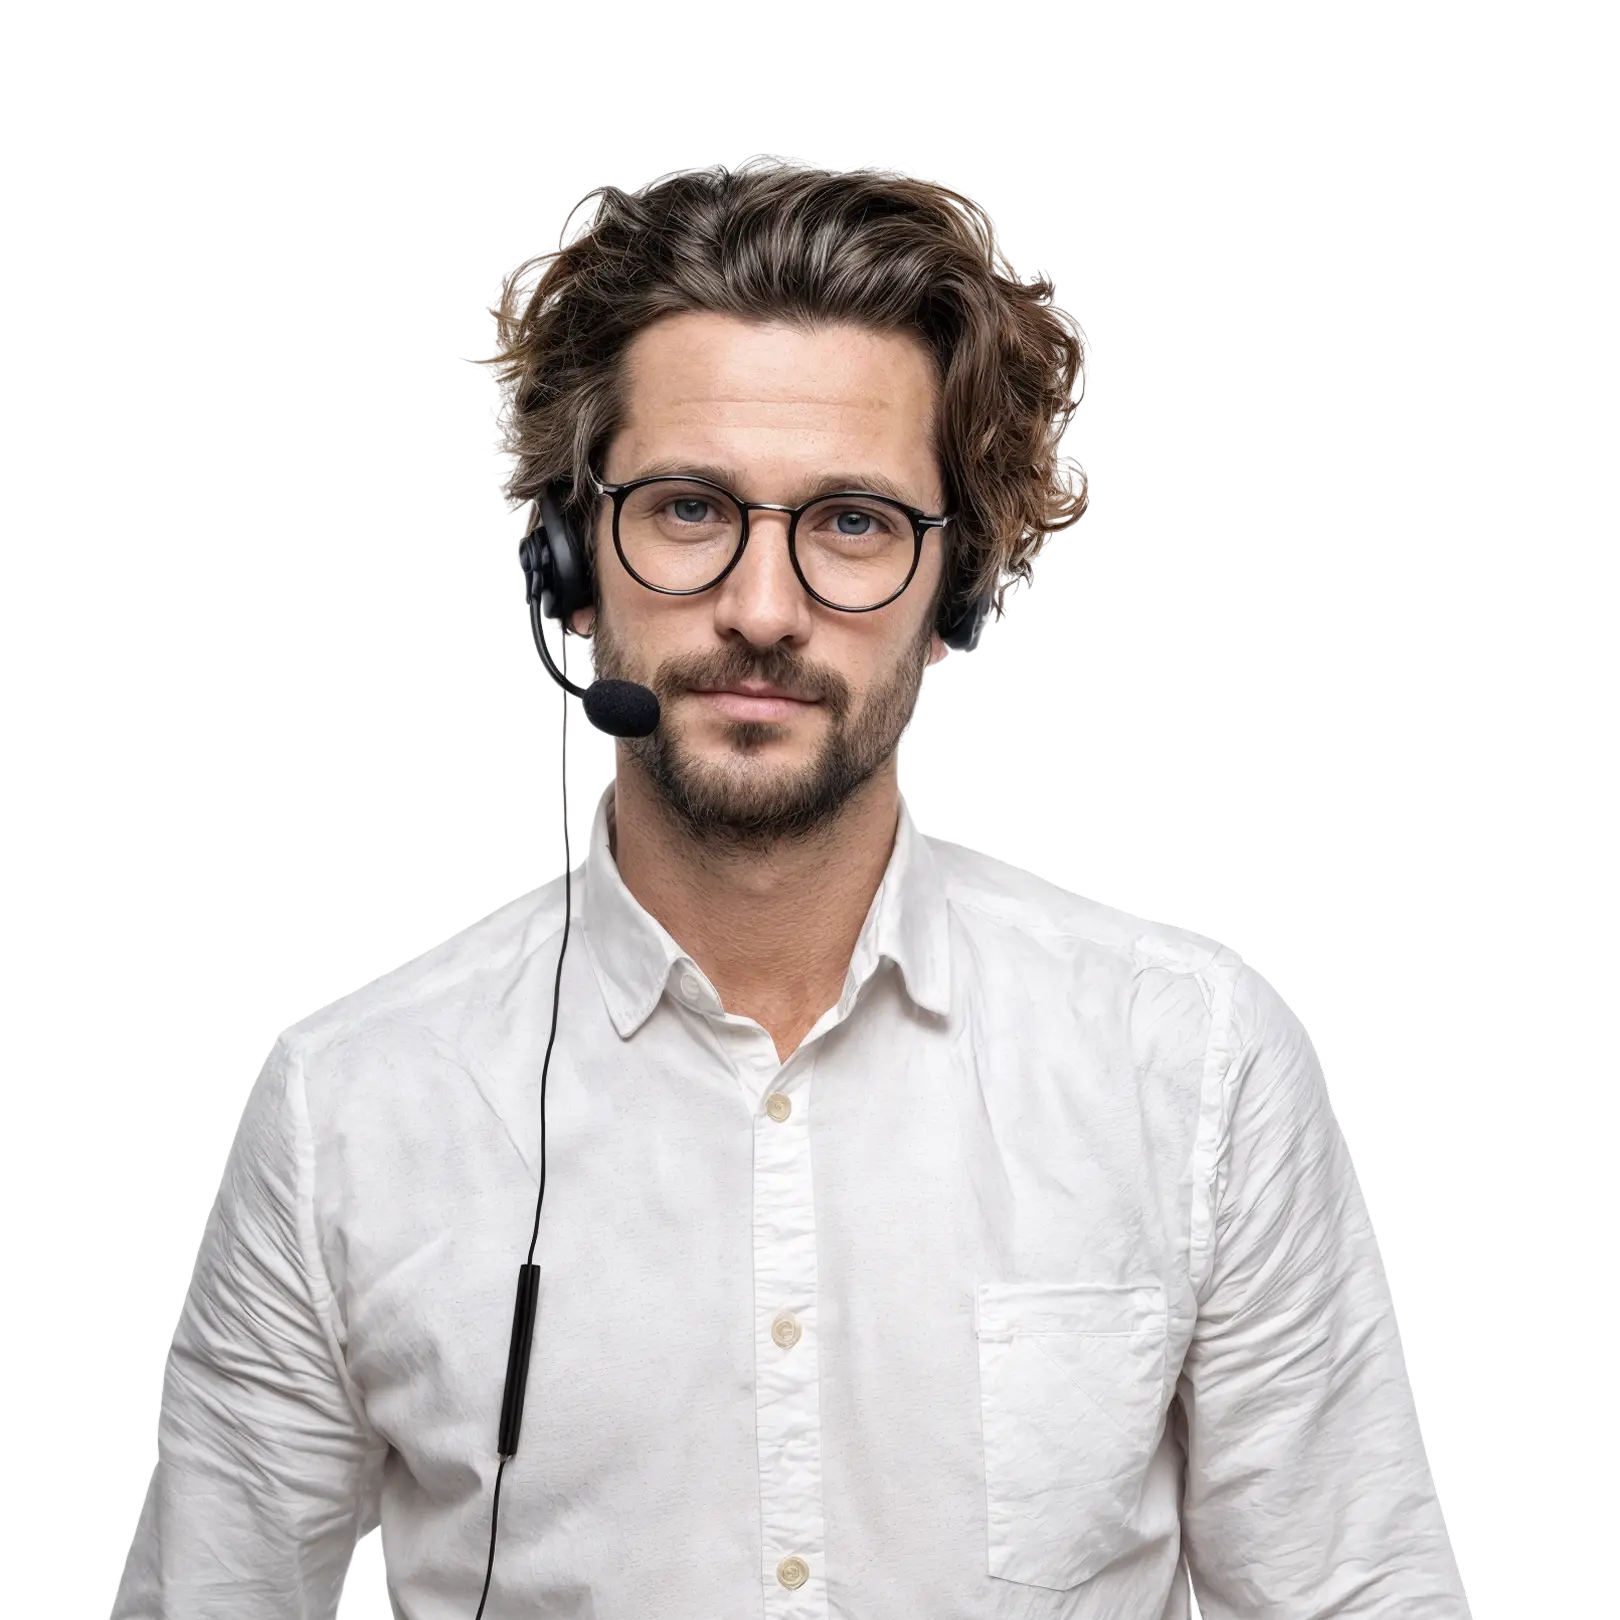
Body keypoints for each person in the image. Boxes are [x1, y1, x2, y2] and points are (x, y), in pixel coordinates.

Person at [110, 157, 1470, 1617]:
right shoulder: (350, 1106)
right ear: (567, 566)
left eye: (852, 523)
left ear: (957, 598)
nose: (764, 610)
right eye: (691, 509)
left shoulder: (1195, 1062)